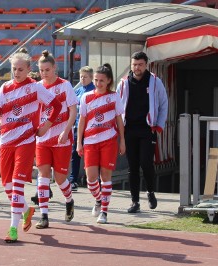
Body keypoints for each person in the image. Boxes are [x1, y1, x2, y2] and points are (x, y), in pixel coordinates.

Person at [0, 48, 61, 243]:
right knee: (7, 185)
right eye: (14, 69)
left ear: (29, 69)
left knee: (17, 184)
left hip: (26, 141)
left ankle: (13, 228)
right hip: (6, 141)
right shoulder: (5, 88)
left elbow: (57, 105)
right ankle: (27, 210)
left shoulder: (35, 88)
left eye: (21, 69)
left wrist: (46, 126)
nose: (17, 72)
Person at [117, 51, 168, 213]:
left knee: (146, 162)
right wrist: (118, 130)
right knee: (132, 166)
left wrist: (159, 125)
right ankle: (135, 201)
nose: (136, 68)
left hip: (147, 129)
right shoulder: (124, 83)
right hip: (129, 129)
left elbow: (163, 104)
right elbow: (117, 108)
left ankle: (151, 192)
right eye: (134, 65)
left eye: (140, 64)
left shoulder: (154, 81)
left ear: (146, 65)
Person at [76, 64, 126, 224]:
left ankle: (104, 211)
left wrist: (122, 141)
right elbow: (82, 120)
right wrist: (79, 142)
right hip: (90, 142)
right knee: (91, 180)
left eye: (101, 80)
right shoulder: (86, 97)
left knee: (105, 178)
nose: (98, 83)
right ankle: (98, 199)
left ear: (109, 80)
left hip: (109, 141)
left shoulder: (114, 96)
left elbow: (119, 119)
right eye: (96, 80)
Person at [34, 51, 78, 228]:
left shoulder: (65, 86)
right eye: (41, 70)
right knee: (43, 176)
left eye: (47, 69)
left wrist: (66, 131)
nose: (44, 73)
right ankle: (44, 215)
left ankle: (69, 200)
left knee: (60, 178)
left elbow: (73, 111)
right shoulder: (37, 87)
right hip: (43, 139)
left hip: (62, 139)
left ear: (54, 68)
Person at [69, 66, 95, 190]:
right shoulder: (78, 91)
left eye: (85, 77)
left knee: (91, 153)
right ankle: (73, 179)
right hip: (78, 126)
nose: (82, 79)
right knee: (75, 153)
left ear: (91, 77)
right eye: (81, 77)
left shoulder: (94, 90)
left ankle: (93, 179)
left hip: (91, 128)